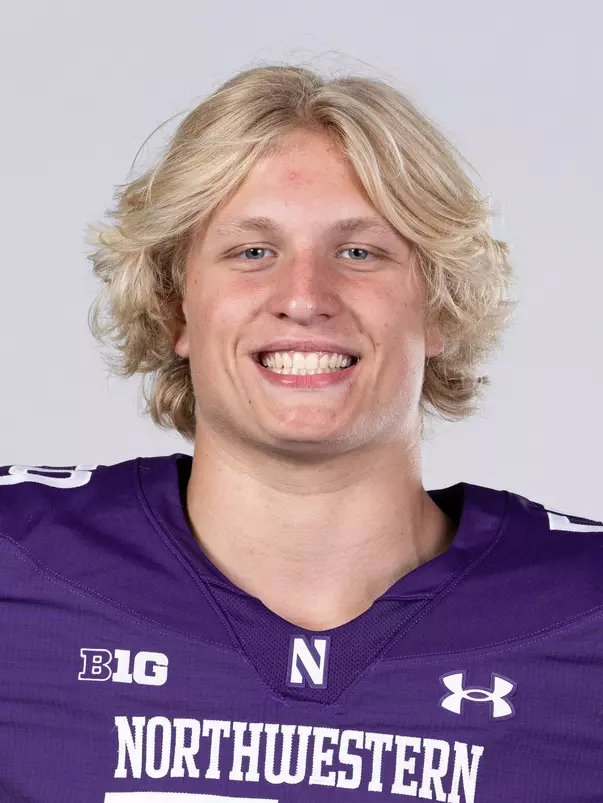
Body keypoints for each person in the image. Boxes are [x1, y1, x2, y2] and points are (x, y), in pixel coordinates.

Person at [0, 64, 601, 803]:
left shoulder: (583, 611)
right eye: (253, 251)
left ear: (440, 306)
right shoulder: (19, 564)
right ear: (174, 306)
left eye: (360, 251)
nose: (304, 297)